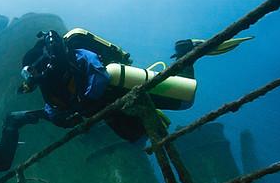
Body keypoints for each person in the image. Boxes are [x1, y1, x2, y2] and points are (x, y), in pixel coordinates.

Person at [14, 29, 252, 143]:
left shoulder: (75, 56)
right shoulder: (48, 87)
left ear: (40, 62)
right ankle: (154, 124)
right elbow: (52, 109)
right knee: (138, 139)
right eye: (28, 75)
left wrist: (81, 106)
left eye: (30, 71)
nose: (31, 78)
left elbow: (99, 75)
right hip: (111, 108)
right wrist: (54, 117)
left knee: (186, 100)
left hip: (121, 90)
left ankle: (187, 54)